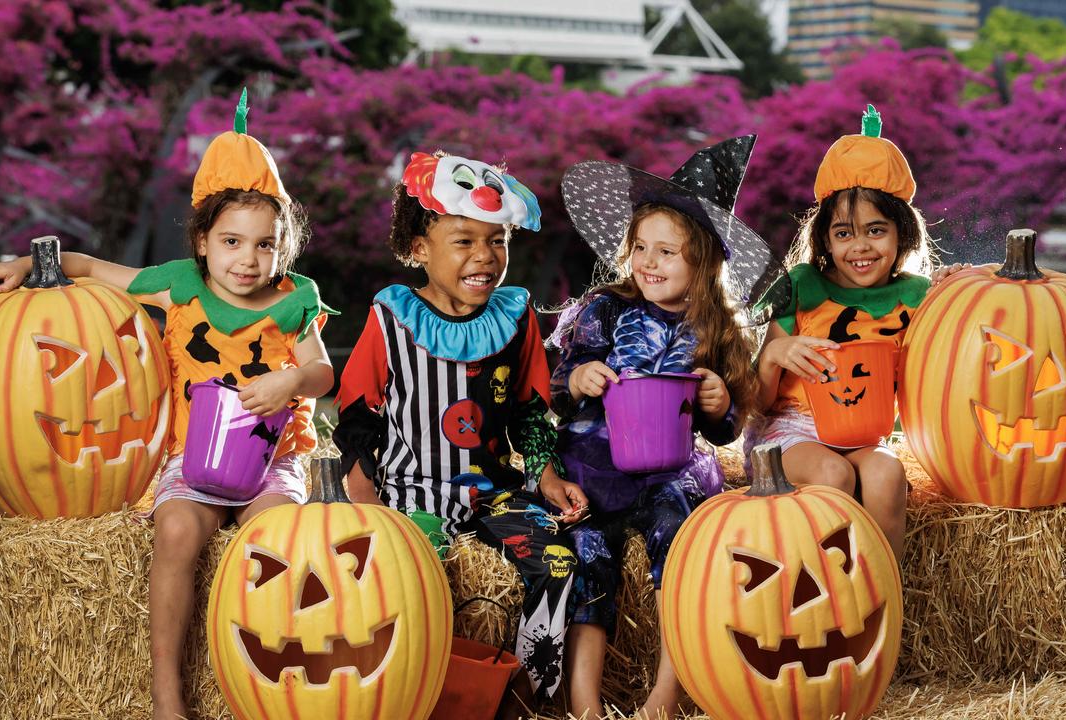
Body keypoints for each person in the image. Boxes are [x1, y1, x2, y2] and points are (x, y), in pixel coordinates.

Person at [0, 91, 335, 720]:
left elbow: (324, 373)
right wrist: (20, 263)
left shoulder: (296, 297)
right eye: (231, 242)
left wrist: (289, 383)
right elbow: (89, 266)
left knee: (274, 537)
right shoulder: (177, 285)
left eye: (264, 245)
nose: (247, 260)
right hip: (192, 458)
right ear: (202, 240)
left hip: (270, 460)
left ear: (284, 247)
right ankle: (167, 694)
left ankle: (262, 682)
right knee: (173, 530)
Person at [331, 151, 588, 716]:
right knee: (408, 581)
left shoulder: (515, 317)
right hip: (410, 491)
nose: (485, 257)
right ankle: (405, 698)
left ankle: (527, 700)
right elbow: (355, 420)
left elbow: (527, 410)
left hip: (492, 490)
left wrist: (546, 476)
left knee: (559, 564)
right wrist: (369, 507)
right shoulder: (391, 317)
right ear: (420, 249)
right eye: (464, 241)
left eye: (497, 241)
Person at [550, 136, 784, 720]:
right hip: (594, 470)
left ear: (702, 262)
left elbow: (728, 431)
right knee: (588, 554)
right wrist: (581, 378)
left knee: (680, 547)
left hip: (669, 472)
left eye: (667, 252)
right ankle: (584, 702)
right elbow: (556, 386)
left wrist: (719, 399)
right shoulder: (604, 308)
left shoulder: (718, 330)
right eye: (641, 248)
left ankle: (665, 694)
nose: (648, 263)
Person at [749, 105, 963, 558]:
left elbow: (956, 354)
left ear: (902, 235)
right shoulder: (801, 286)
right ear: (825, 239)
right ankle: (833, 600)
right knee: (833, 476)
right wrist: (774, 356)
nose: (860, 247)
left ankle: (885, 601)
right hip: (791, 434)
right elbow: (756, 403)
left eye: (875, 231)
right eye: (844, 233)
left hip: (866, 436)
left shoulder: (918, 297)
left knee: (887, 475)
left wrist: (961, 290)